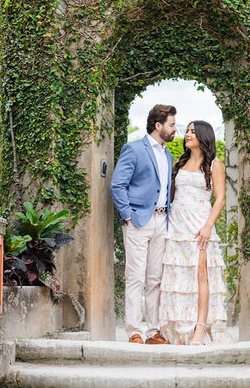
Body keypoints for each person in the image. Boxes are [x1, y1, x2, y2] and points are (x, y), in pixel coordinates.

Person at [110, 104, 177, 344]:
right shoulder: (134, 149)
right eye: (171, 124)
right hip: (138, 222)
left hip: (162, 222)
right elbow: (118, 185)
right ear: (158, 125)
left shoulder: (168, 154)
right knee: (136, 277)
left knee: (155, 279)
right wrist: (128, 215)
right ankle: (133, 331)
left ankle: (153, 331)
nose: (174, 129)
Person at [159, 120, 228, 345]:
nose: (187, 135)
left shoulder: (215, 165)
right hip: (177, 227)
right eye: (187, 131)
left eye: (192, 132)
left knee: (201, 276)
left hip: (200, 226)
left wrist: (208, 226)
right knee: (179, 277)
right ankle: (179, 329)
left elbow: (220, 199)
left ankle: (200, 328)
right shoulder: (180, 163)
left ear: (203, 137)